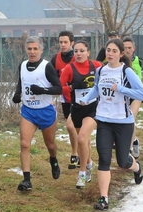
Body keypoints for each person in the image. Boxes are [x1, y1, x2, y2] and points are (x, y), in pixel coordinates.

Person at [80, 38, 143, 210]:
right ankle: (104, 199)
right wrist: (86, 99)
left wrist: (121, 89)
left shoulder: (126, 71)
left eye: (114, 51)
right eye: (108, 50)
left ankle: (136, 167)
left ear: (121, 54)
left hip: (123, 122)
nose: (110, 54)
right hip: (103, 120)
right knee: (104, 158)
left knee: (122, 161)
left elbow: (142, 94)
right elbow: (96, 88)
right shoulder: (101, 70)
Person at [12, 36, 62, 191]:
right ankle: (26, 180)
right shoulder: (22, 65)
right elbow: (22, 83)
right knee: (24, 144)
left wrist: (42, 90)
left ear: (41, 50)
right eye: (29, 49)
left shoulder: (47, 67)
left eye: (35, 49)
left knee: (50, 144)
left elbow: (58, 88)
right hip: (28, 111)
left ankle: (53, 160)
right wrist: (18, 94)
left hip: (45, 111)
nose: (32, 52)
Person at [60, 40, 102, 189]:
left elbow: (105, 82)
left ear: (88, 52)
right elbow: (60, 87)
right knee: (82, 142)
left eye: (82, 51)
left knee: (83, 138)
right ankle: (89, 163)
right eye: (76, 51)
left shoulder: (97, 66)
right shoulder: (69, 69)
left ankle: (82, 174)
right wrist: (71, 87)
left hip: (93, 109)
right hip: (77, 109)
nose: (78, 54)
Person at [50, 30, 79, 169]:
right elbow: (51, 77)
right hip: (65, 98)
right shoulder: (56, 59)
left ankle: (76, 154)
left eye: (65, 42)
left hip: (79, 99)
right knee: (71, 128)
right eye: (60, 42)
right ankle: (77, 153)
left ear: (71, 43)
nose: (62, 45)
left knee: (73, 126)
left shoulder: (78, 56)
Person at [122, 36, 143, 159]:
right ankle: (134, 141)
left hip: (136, 95)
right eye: (125, 48)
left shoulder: (139, 61)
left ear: (134, 48)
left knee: (131, 118)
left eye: (129, 48)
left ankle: (128, 151)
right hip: (123, 94)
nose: (127, 50)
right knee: (124, 120)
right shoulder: (119, 62)